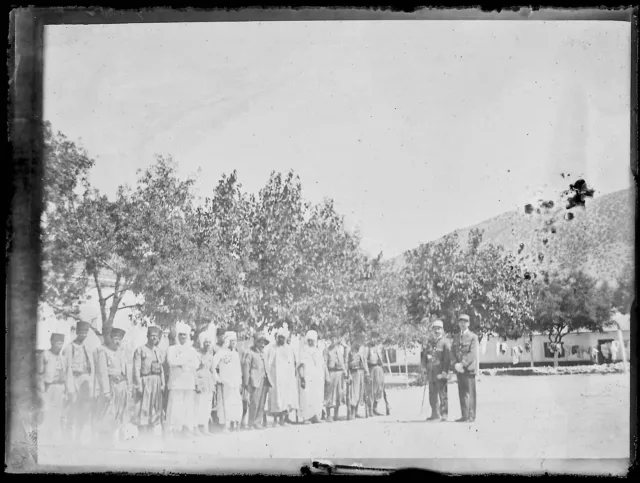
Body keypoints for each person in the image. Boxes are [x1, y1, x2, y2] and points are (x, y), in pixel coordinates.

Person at [94, 327, 131, 445]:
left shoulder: (121, 352)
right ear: (110, 338)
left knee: (120, 413)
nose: (117, 341)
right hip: (110, 386)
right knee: (108, 413)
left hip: (122, 387)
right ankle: (105, 440)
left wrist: (129, 387)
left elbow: (126, 370)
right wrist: (106, 391)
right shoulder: (103, 351)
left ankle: (117, 440)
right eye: (115, 339)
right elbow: (102, 372)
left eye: (119, 339)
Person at [166, 322, 201, 438]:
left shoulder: (191, 350)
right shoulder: (172, 349)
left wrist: (181, 361)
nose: (182, 337)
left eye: (184, 335)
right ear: (177, 336)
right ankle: (172, 430)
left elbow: (196, 364)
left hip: (188, 381)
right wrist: (185, 361)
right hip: (176, 382)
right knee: (175, 406)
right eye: (180, 335)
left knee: (187, 407)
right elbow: (171, 361)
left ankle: (185, 429)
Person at [62, 321, 95, 444]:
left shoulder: (87, 348)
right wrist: (70, 387)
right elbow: (67, 369)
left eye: (85, 332)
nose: (83, 334)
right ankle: (68, 438)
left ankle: (78, 437)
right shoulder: (70, 348)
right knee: (72, 409)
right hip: (74, 379)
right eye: (81, 332)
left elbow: (92, 368)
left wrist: (91, 383)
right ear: (77, 332)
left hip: (85, 380)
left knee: (84, 409)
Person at [37, 332, 71, 445]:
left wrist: (66, 390)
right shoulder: (45, 355)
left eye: (61, 343)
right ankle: (43, 439)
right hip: (47, 388)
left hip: (59, 387)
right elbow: (39, 374)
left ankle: (55, 440)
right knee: (46, 413)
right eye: (57, 343)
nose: (59, 346)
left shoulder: (63, 358)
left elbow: (65, 375)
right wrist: (41, 390)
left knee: (57, 414)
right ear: (52, 342)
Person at [132, 326, 165, 436]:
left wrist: (163, 383)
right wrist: (138, 385)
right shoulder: (140, 350)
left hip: (157, 381)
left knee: (155, 408)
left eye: (156, 336)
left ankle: (151, 431)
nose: (154, 338)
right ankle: (142, 433)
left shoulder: (159, 351)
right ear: (147, 336)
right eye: (152, 336)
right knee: (143, 407)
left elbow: (161, 369)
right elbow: (136, 369)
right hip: (145, 381)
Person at [264, 326, 299, 427]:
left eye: (283, 338)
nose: (281, 340)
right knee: (276, 399)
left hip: (286, 379)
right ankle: (275, 420)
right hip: (275, 378)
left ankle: (282, 420)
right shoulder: (271, 348)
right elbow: (268, 362)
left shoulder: (289, 349)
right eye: (279, 337)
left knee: (285, 399)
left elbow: (292, 364)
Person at [212, 331, 243, 432]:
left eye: (235, 341)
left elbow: (238, 369)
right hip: (225, 382)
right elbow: (213, 367)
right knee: (225, 404)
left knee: (235, 403)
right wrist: (218, 379)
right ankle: (225, 425)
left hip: (235, 383)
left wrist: (240, 382)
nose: (233, 343)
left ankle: (235, 422)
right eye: (231, 341)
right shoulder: (221, 353)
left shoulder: (235, 353)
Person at [297, 330, 328, 424]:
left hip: (317, 378)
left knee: (317, 397)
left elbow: (322, 365)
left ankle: (316, 416)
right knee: (306, 397)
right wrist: (302, 377)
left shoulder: (318, 351)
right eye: (309, 340)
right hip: (307, 377)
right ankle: (306, 418)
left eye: (312, 340)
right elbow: (300, 365)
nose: (311, 342)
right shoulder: (303, 350)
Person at [452, 314, 478, 423]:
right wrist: (455, 365)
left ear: (469, 323)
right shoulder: (456, 337)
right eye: (461, 321)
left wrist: (462, 364)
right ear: (458, 323)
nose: (463, 324)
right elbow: (452, 352)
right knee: (462, 393)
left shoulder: (473, 337)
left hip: (469, 369)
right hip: (459, 369)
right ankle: (464, 415)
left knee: (470, 393)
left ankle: (471, 416)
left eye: (465, 321)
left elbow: (472, 354)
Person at [242, 331, 271, 430]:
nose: (262, 344)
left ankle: (257, 422)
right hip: (255, 380)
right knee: (254, 402)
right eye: (260, 342)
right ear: (256, 342)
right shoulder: (250, 353)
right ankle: (250, 423)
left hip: (264, 379)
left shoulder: (264, 354)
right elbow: (246, 368)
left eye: (263, 342)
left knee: (262, 403)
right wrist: (246, 383)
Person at [424, 320, 451, 422]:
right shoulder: (430, 342)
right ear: (432, 330)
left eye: (439, 329)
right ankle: (435, 413)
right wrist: (425, 366)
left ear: (442, 330)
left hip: (440, 372)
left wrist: (445, 371)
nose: (437, 331)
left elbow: (447, 359)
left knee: (442, 394)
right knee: (432, 394)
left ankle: (444, 414)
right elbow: (425, 356)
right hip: (431, 372)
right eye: (435, 329)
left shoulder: (445, 342)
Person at [194, 332, 216, 436]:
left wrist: (214, 383)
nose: (207, 344)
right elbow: (194, 370)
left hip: (208, 382)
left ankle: (205, 427)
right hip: (200, 381)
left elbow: (212, 370)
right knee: (199, 405)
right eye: (205, 342)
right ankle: (196, 428)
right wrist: (196, 384)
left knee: (207, 405)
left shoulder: (211, 356)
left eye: (209, 342)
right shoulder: (197, 354)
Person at [324, 336, 348, 422]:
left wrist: (345, 372)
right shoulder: (327, 350)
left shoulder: (340, 349)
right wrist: (326, 376)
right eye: (332, 339)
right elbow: (324, 364)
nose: (334, 340)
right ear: (330, 340)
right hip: (331, 372)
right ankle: (328, 415)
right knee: (329, 394)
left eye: (335, 339)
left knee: (339, 393)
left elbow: (343, 361)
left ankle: (336, 414)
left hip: (339, 373)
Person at [347, 336, 370, 420]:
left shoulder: (362, 350)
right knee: (354, 392)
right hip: (354, 373)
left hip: (361, 372)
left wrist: (367, 373)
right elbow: (347, 363)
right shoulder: (350, 350)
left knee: (361, 392)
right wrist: (348, 374)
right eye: (358, 341)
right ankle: (352, 412)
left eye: (361, 342)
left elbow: (365, 362)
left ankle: (356, 411)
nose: (359, 343)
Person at [364, 338, 386, 416]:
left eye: (375, 338)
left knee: (379, 388)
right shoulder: (367, 348)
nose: (374, 339)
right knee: (371, 390)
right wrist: (366, 372)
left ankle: (375, 407)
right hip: (371, 369)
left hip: (379, 369)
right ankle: (369, 409)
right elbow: (364, 361)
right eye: (372, 338)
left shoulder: (379, 347)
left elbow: (381, 359)